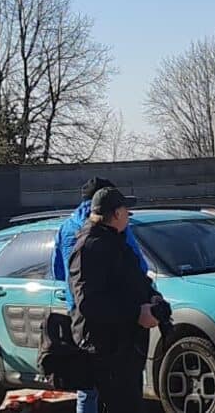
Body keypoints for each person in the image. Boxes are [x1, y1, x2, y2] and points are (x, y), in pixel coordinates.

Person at [52, 177, 151, 413]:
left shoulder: (66, 227)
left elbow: (57, 270)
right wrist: (138, 307)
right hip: (108, 318)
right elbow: (139, 267)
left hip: (78, 310)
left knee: (87, 387)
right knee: (119, 389)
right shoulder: (109, 235)